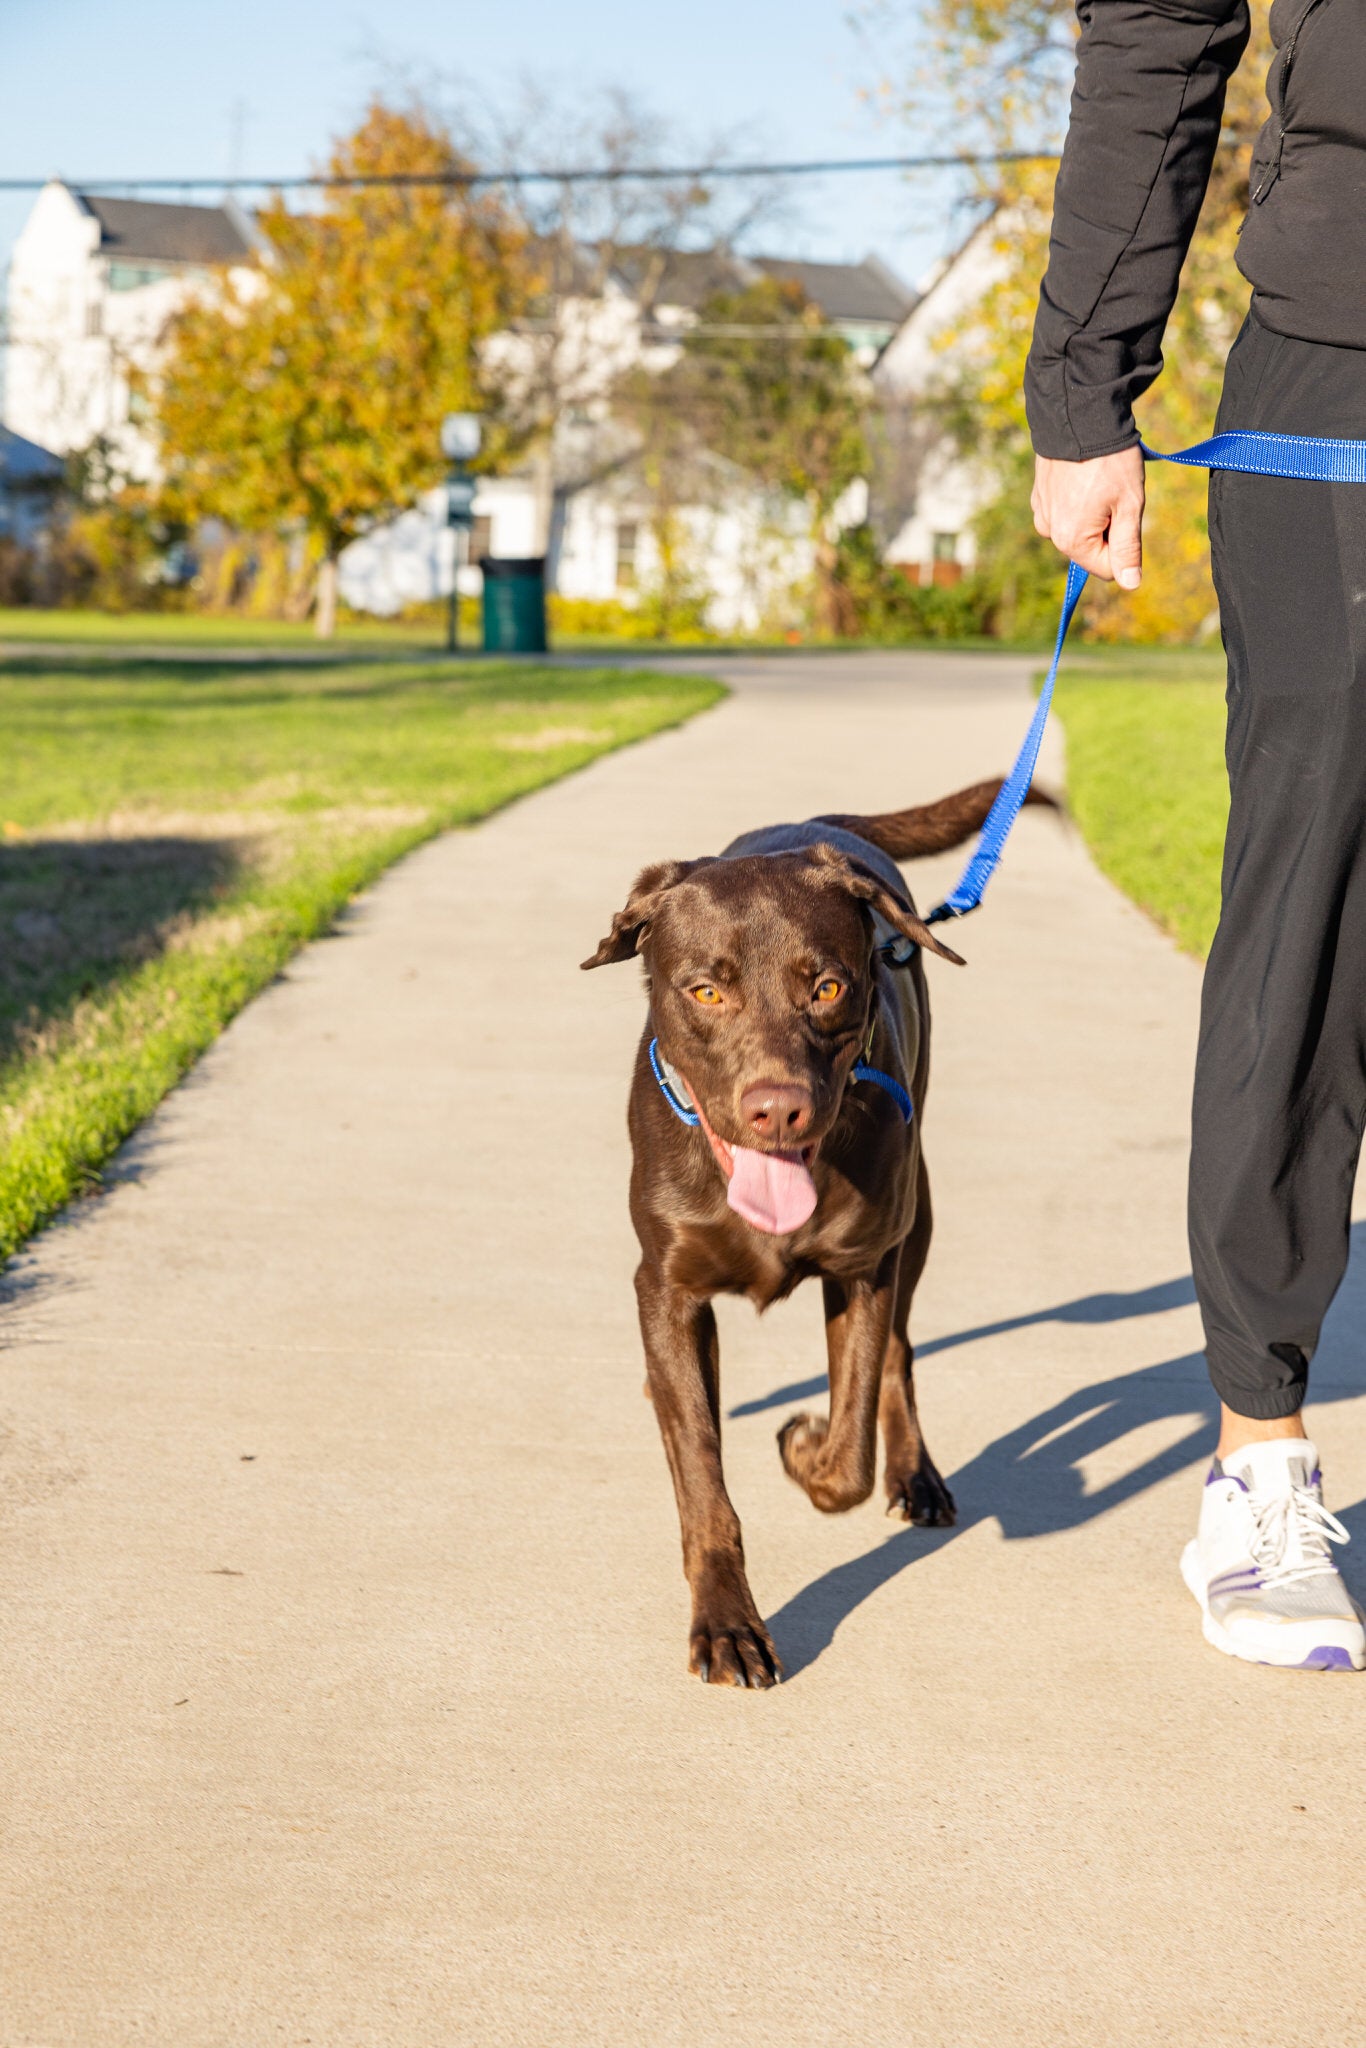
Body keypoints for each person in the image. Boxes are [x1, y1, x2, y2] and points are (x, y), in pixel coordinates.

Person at [1027, 0, 1366, 1669]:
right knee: (1316, 926)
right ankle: (1258, 1457)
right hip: (1350, 366)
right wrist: (1083, 395)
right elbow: (1157, 32)